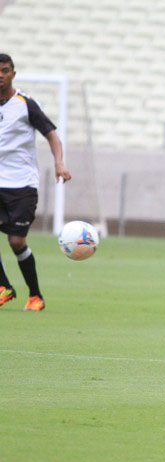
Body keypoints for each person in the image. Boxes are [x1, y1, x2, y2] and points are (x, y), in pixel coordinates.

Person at [0, 53, 72, 312]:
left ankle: (35, 296)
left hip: (21, 184)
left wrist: (59, 163)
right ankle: (3, 287)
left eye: (5, 70)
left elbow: (52, 135)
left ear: (13, 74)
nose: (0, 75)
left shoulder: (25, 104)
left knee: (16, 242)